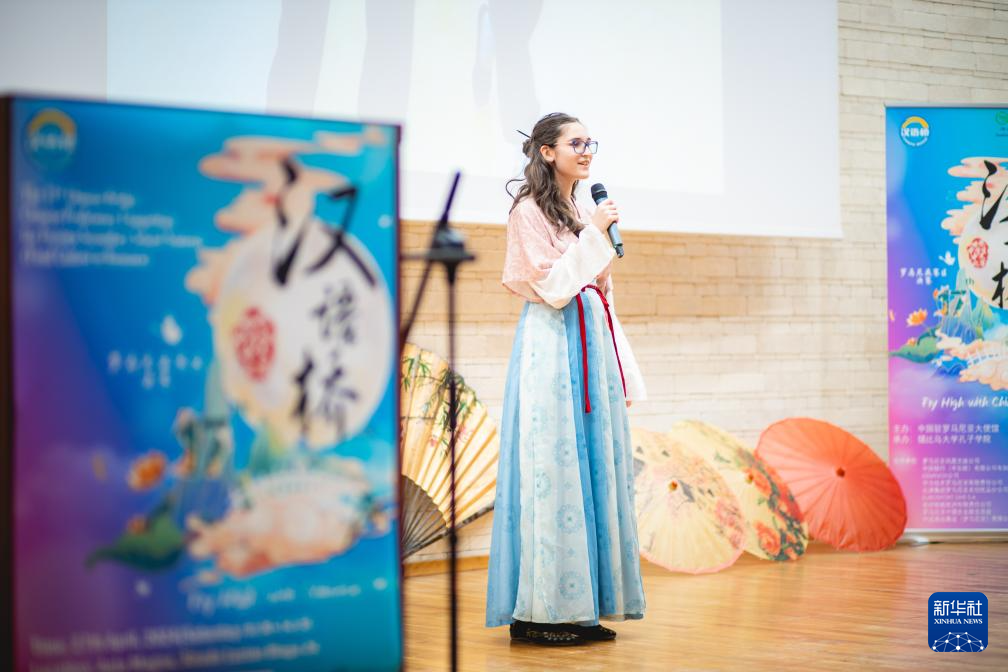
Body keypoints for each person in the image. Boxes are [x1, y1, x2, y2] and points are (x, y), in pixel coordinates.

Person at [485, 112, 647, 646]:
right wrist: (595, 235)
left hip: (589, 343)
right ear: (547, 151)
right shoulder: (528, 211)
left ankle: (578, 608)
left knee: (591, 468)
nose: (586, 150)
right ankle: (537, 613)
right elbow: (553, 287)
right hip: (553, 346)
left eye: (590, 142)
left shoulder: (578, 210)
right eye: (576, 142)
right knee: (553, 471)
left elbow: (596, 284)